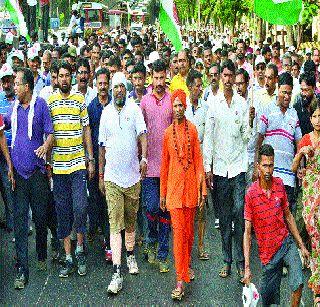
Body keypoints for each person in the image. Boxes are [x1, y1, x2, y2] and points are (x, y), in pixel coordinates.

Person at [203, 59, 254, 282]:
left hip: (238, 167)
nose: (226, 79)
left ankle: (242, 262)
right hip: (220, 168)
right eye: (223, 75)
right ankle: (227, 260)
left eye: (229, 76)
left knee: (240, 213)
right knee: (224, 217)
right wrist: (208, 168)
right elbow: (208, 139)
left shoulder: (243, 104)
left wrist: (249, 122)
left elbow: (246, 138)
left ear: (234, 78)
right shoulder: (212, 104)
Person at [98, 72, 147, 294]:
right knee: (114, 224)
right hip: (112, 178)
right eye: (115, 87)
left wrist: (144, 157)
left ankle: (130, 254)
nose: (118, 90)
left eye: (121, 87)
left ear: (125, 89)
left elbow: (143, 135)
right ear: (111, 89)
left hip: (133, 176)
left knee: (130, 221)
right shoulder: (106, 114)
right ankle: (117, 271)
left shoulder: (134, 110)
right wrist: (100, 174)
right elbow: (101, 147)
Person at [243, 144, 309, 307]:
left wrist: (301, 245)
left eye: (271, 165)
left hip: (286, 244)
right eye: (264, 165)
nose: (268, 170)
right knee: (268, 301)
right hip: (268, 255)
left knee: (298, 282)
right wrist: (247, 267)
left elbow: (288, 216)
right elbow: (247, 232)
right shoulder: (251, 194)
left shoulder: (279, 184)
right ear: (258, 166)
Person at [6, 67, 54, 289]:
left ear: (27, 86)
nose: (14, 87)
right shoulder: (13, 109)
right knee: (19, 222)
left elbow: (50, 133)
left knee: (41, 217)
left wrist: (45, 146)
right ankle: (21, 270)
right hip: (18, 174)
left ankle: (42, 253)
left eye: (17, 83)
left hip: (37, 173)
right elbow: (3, 125)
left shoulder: (40, 105)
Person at [47, 61, 95, 278]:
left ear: (72, 77)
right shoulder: (50, 102)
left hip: (77, 165)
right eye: (61, 75)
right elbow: (48, 135)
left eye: (68, 75)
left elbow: (86, 129)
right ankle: (68, 256)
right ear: (56, 78)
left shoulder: (79, 99)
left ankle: (80, 249)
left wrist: (90, 158)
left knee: (80, 207)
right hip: (58, 167)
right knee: (62, 212)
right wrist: (48, 163)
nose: (64, 79)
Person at [160, 89, 206, 300]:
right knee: (178, 235)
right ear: (172, 107)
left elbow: (198, 162)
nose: (178, 109)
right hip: (174, 193)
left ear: (185, 106)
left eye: (181, 105)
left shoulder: (193, 130)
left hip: (190, 193)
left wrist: (202, 190)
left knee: (188, 234)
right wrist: (163, 194)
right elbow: (164, 166)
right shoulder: (168, 133)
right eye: (175, 105)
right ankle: (180, 280)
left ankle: (186, 266)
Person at [140, 60, 172, 272]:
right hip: (149, 166)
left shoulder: (173, 100)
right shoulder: (144, 101)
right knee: (151, 207)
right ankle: (150, 238)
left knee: (166, 212)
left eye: (162, 77)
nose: (159, 82)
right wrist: (140, 159)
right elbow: (140, 133)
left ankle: (162, 253)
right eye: (156, 78)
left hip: (169, 168)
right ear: (151, 77)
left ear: (166, 75)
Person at [255, 72, 302, 214]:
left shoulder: (294, 114)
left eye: (289, 93)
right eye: (283, 92)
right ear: (277, 89)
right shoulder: (267, 109)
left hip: (288, 176)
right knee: (268, 215)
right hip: (270, 173)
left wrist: (300, 167)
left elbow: (299, 143)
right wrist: (257, 166)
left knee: (286, 217)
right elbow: (259, 140)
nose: (287, 97)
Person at [292, 100, 320, 306]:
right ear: (310, 119)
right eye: (315, 117)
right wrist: (302, 153)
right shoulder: (305, 139)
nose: (318, 121)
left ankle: (317, 288)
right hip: (310, 191)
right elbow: (294, 168)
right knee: (313, 232)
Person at [185, 69, 210, 260]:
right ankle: (186, 245)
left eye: (201, 86)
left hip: (200, 159)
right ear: (189, 87)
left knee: (201, 205)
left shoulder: (206, 107)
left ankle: (200, 246)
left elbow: (208, 137)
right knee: (187, 206)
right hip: (185, 161)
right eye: (196, 86)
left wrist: (207, 165)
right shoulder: (182, 107)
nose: (199, 89)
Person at [87, 68, 110, 260]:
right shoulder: (91, 107)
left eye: (105, 83)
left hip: (112, 161)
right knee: (95, 199)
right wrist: (90, 160)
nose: (103, 87)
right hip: (95, 160)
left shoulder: (114, 105)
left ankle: (110, 239)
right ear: (96, 85)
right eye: (99, 83)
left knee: (108, 200)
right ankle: (99, 231)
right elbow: (88, 136)